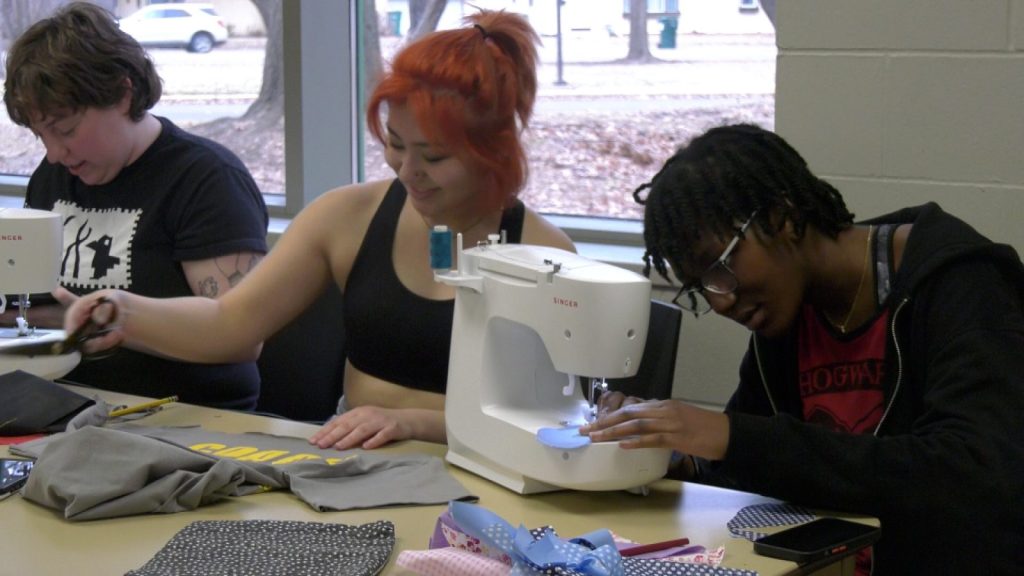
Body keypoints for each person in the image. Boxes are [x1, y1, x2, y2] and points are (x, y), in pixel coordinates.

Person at [63, 10, 574, 449]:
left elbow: (550, 428)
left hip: (485, 472)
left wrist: (412, 424)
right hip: (361, 463)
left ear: (495, 150)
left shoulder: (548, 254)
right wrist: (125, 312)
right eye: (395, 143)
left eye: (434, 156)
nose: (406, 170)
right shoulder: (345, 216)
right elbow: (229, 323)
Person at [581, 124, 1024, 575]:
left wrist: (729, 436)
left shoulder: (962, 285)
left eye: (720, 268)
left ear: (783, 217)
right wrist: (673, 450)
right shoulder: (789, 319)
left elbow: (974, 476)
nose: (720, 301)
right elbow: (758, 465)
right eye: (701, 288)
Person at [2, 2, 269, 410]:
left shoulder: (206, 179)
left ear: (123, 95)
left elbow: (243, 336)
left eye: (66, 130)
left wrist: (123, 317)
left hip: (184, 416)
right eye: (41, 136)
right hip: (71, 408)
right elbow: (51, 311)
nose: (54, 153)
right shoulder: (54, 177)